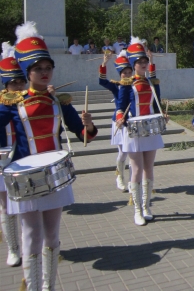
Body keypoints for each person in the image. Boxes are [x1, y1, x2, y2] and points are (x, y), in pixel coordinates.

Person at [0, 22, 97, 291]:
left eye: (47, 68)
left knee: (52, 236)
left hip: (54, 174)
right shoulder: (12, 102)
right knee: (31, 235)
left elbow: (83, 135)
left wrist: (87, 124)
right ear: (27, 72)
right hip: (26, 178)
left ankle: (49, 287)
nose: (44, 73)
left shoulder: (60, 102)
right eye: (37, 69)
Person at [115, 38, 168, 226]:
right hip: (134, 129)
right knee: (136, 169)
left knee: (149, 168)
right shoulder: (127, 83)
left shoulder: (153, 82)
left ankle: (147, 206)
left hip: (151, 128)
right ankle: (137, 209)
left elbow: (156, 103)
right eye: (139, 62)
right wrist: (120, 117)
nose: (143, 64)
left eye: (145, 61)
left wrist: (163, 114)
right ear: (133, 64)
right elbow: (120, 107)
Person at [0, 42, 27, 267]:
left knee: (28, 205)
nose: (18, 86)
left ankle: (29, 245)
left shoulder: (29, 102)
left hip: (24, 161)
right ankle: (13, 248)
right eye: (13, 82)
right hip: (2, 161)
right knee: (6, 206)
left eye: (21, 81)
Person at [99, 51, 133, 192]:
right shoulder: (116, 85)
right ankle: (119, 176)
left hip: (132, 121)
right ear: (120, 74)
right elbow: (102, 81)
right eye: (124, 72)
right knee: (123, 153)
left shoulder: (135, 84)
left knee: (133, 153)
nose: (127, 74)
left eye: (129, 72)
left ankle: (133, 181)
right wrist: (104, 64)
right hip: (119, 121)